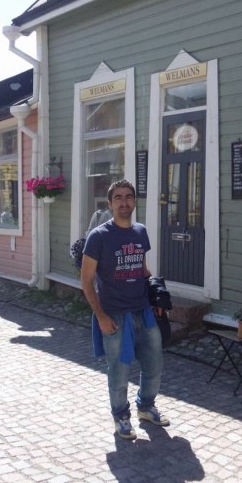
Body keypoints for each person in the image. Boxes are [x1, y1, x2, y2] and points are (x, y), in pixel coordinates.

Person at [81, 179, 169, 440]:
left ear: (134, 201)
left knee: (154, 366)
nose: (124, 202)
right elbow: (86, 280)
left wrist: (156, 298)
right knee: (119, 372)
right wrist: (101, 317)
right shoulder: (99, 237)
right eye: (118, 198)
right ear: (110, 203)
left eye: (128, 197)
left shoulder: (140, 232)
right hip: (115, 315)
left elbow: (142, 269)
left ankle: (146, 406)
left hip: (144, 312)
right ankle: (121, 416)